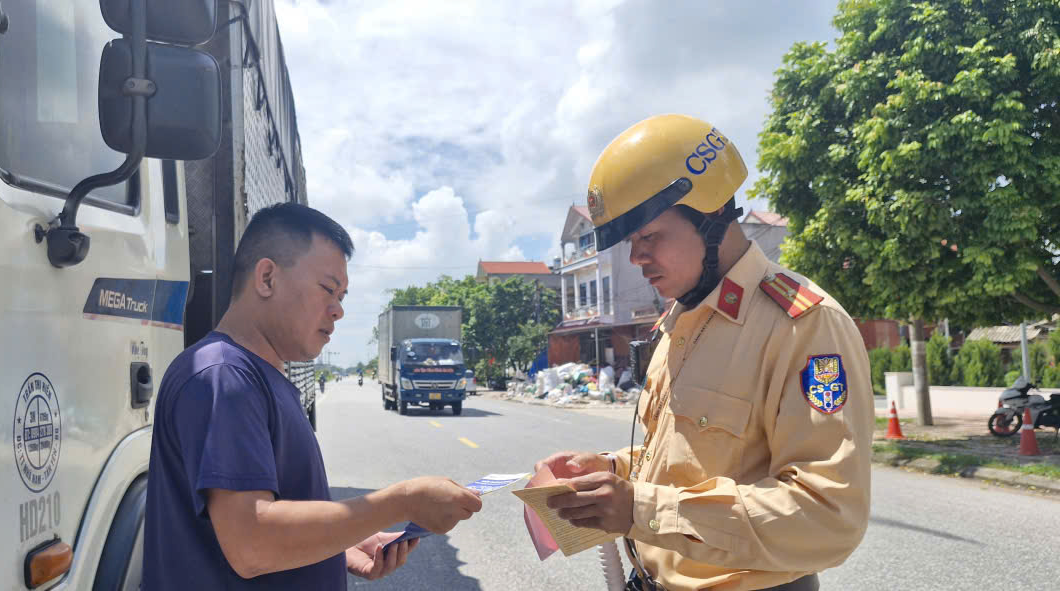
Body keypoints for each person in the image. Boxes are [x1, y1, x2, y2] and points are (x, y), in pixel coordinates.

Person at [535, 114, 871, 591]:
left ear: (711, 215)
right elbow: (686, 460)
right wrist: (613, 471)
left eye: (649, 236)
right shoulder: (680, 322)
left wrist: (639, 508)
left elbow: (828, 516)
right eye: (632, 242)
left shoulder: (804, 326)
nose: (636, 258)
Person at [144, 203, 482, 590]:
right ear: (267, 277)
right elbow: (252, 544)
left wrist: (340, 543)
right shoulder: (223, 376)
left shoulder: (259, 376)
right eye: (328, 289)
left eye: (343, 296)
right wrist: (400, 502)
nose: (338, 310)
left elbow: (268, 521)